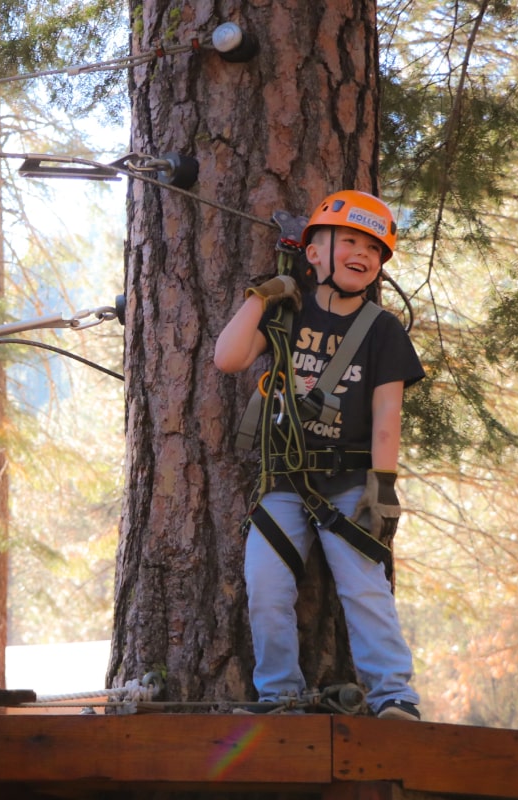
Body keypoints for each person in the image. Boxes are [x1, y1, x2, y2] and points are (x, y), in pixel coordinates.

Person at [213, 190, 425, 721]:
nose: (362, 255)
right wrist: (263, 296)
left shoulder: (383, 330)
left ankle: (393, 694)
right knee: (265, 586)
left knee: (364, 587)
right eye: (349, 241)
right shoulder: (286, 314)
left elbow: (386, 413)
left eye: (373, 250)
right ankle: (280, 694)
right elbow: (228, 358)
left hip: (350, 480)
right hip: (284, 482)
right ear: (313, 252)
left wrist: (383, 483)